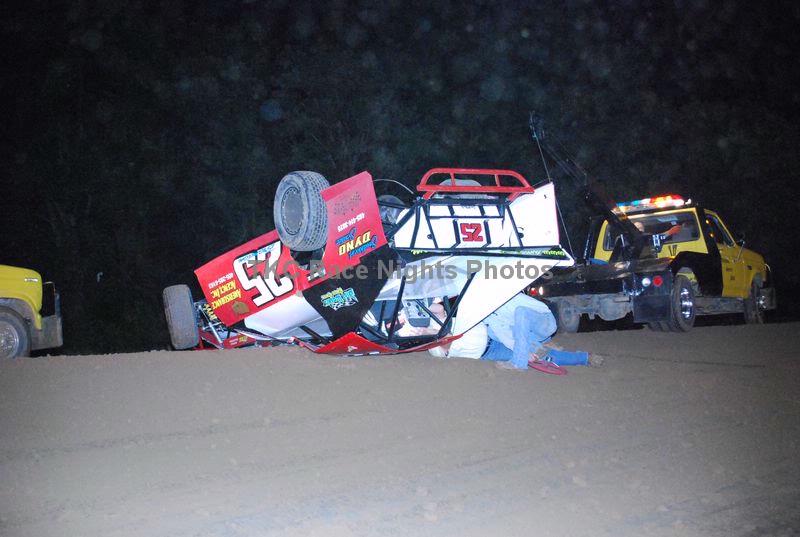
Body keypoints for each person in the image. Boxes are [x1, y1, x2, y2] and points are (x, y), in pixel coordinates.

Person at [428, 293, 600, 370]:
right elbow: (444, 346)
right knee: (539, 357)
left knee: (521, 317)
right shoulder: (433, 345)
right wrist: (522, 349)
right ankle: (584, 358)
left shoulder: (497, 296)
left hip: (542, 321)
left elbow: (437, 309)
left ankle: (522, 359)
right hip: (494, 347)